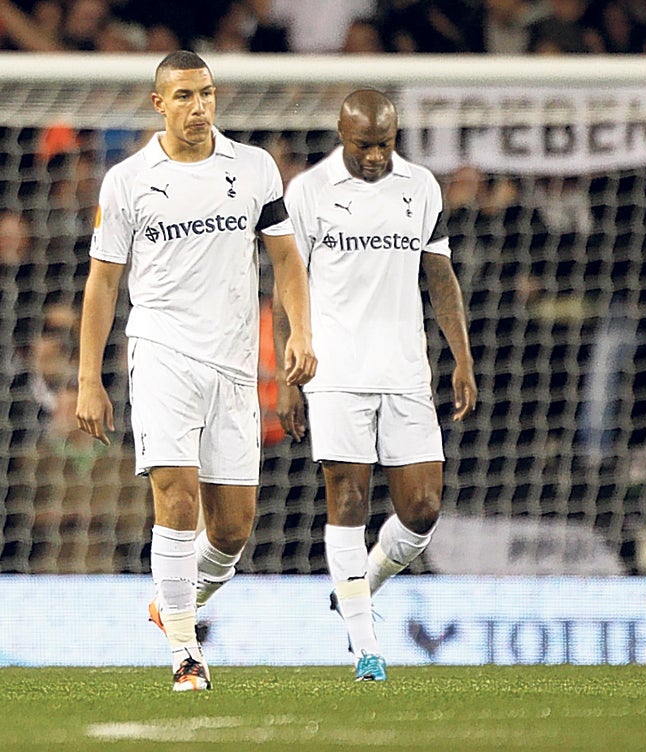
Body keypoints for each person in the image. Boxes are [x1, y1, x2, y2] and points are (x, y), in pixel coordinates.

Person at [75, 50, 317, 691]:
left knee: (233, 527)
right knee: (175, 499)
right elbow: (102, 286)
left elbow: (288, 261)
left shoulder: (255, 167)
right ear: (159, 104)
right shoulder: (128, 180)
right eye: (183, 96)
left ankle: (173, 606)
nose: (198, 107)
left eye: (206, 94)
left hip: (237, 368)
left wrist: (299, 333)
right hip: (161, 356)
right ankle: (186, 653)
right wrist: (87, 378)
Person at [275, 88, 477, 682]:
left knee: (422, 509)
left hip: (405, 369)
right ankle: (365, 647)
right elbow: (290, 283)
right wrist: (294, 370)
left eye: (384, 145)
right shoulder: (308, 192)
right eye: (363, 146)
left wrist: (461, 357)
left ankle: (358, 585)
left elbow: (439, 275)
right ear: (342, 134)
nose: (374, 157)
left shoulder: (420, 187)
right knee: (350, 501)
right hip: (333, 370)